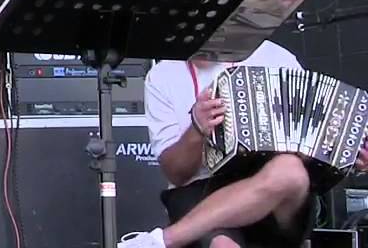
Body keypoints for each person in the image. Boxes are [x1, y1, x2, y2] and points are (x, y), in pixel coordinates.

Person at [118, 38, 368, 248]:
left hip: (278, 198)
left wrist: (347, 153)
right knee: (221, 244)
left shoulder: (275, 57)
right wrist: (196, 128)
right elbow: (177, 174)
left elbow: (310, 139)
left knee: (291, 170)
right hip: (202, 191)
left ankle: (163, 240)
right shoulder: (162, 75)